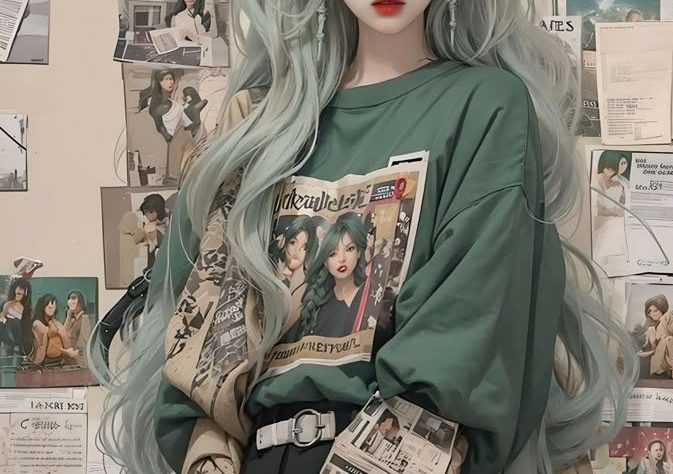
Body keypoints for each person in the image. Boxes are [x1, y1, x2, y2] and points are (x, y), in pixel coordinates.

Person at [93, 2, 637, 474]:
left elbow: (463, 341)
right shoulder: (263, 123)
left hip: (398, 453)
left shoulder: (484, 105)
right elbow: (203, 350)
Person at [297, 212, 368, 339]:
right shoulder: (319, 307)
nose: (342, 259)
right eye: (332, 254)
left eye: (349, 249)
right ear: (325, 262)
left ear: (358, 252)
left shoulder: (368, 293)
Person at [637, 295, 673, 381]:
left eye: (655, 310)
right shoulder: (654, 327)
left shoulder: (668, 317)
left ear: (662, 309)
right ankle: (669, 368)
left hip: (672, 351)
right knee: (653, 332)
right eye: (650, 312)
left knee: (667, 339)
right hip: (660, 355)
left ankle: (672, 366)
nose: (652, 314)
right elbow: (653, 346)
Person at [592, 151, 628, 260]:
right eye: (608, 168)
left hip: (614, 218)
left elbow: (623, 203)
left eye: (614, 168)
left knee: (621, 225)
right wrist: (615, 211)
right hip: (600, 219)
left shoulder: (618, 183)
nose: (611, 171)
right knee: (615, 226)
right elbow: (598, 209)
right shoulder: (595, 180)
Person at [27, 294, 80, 366]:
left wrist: (68, 317)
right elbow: (45, 346)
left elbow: (63, 333)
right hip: (41, 361)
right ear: (43, 307)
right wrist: (66, 352)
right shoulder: (37, 324)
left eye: (53, 307)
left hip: (57, 361)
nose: (51, 309)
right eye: (49, 307)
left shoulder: (54, 323)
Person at [0, 278, 31, 357]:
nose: (19, 296)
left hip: (18, 333)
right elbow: (2, 316)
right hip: (7, 330)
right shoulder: (8, 304)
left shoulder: (24, 308)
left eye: (22, 295)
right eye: (18, 293)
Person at [63, 291, 92, 355]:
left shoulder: (84, 318)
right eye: (69, 299)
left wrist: (76, 352)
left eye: (73, 298)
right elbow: (64, 334)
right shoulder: (73, 320)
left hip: (78, 357)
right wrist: (68, 317)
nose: (71, 302)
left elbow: (84, 341)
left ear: (80, 302)